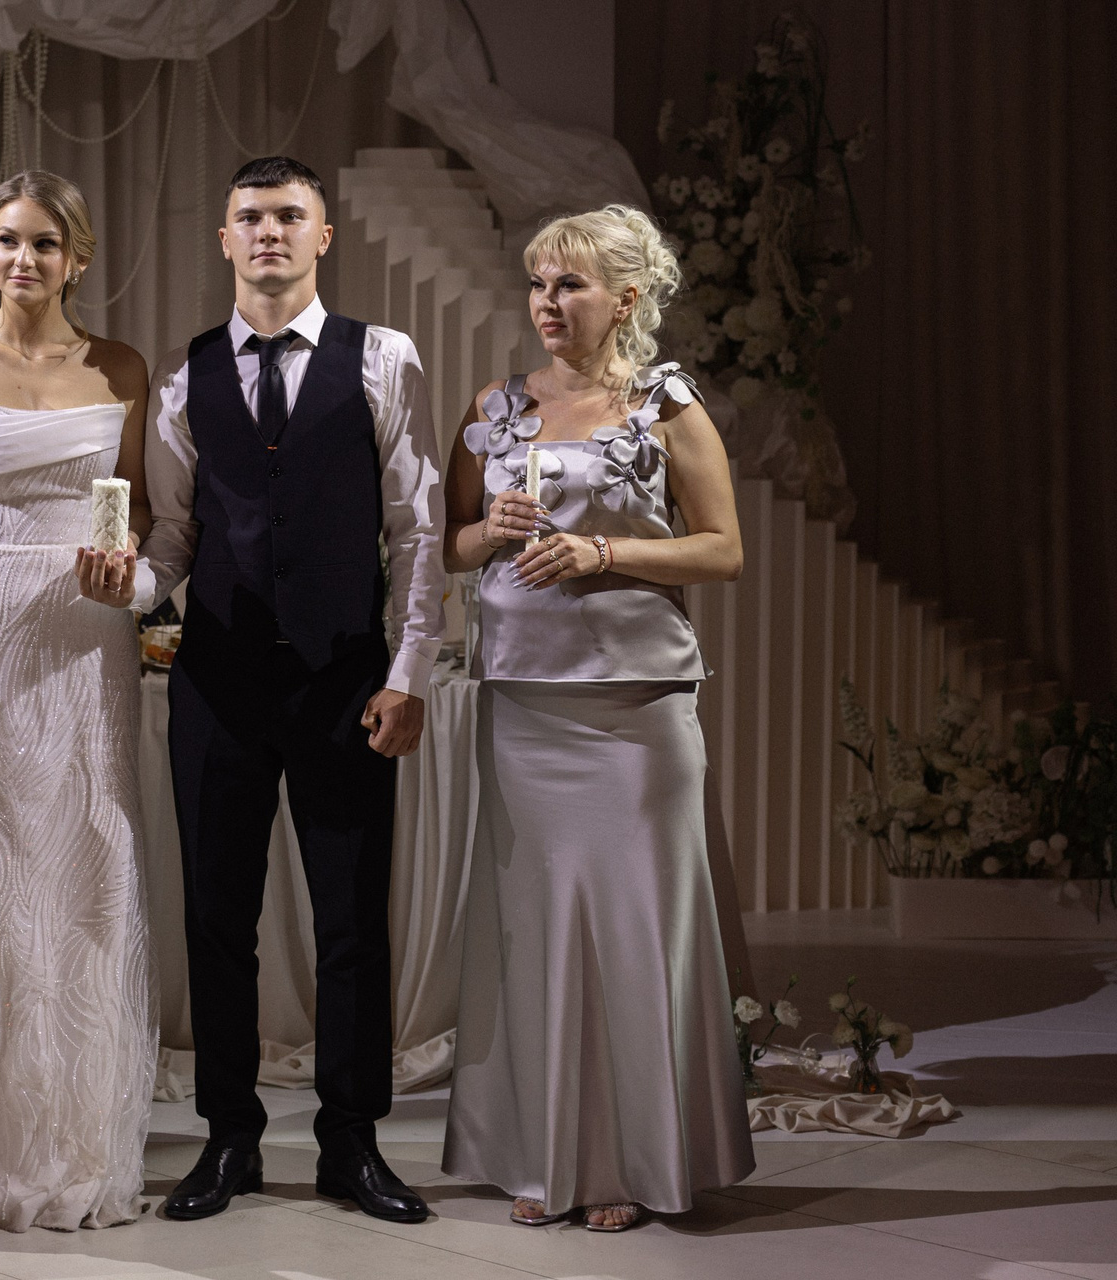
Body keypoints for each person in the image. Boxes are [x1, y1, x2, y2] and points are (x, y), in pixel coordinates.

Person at [79, 156, 444, 1225]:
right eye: (251, 216)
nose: (270, 232)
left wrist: (408, 672)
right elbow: (176, 537)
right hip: (219, 681)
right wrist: (126, 586)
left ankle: (351, 1141)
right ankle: (229, 1138)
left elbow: (417, 529)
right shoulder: (185, 374)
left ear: (323, 235)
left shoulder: (385, 358)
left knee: (352, 923)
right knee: (216, 919)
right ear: (226, 239)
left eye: (290, 215)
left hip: (346, 680)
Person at [439, 205, 755, 1232]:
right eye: (539, 284)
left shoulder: (665, 404)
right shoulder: (494, 406)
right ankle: (546, 1153)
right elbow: (449, 544)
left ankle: (626, 1160)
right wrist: (491, 529)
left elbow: (722, 549)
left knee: (631, 931)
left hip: (634, 708)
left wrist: (603, 552)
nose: (547, 302)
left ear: (626, 299)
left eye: (569, 284)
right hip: (523, 702)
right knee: (535, 932)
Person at [0, 170, 156, 1232]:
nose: (23, 259)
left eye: (45, 243)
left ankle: (80, 1141)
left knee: (89, 857)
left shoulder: (123, 367)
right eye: (8, 239)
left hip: (88, 639)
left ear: (77, 258)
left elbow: (131, 517)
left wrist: (125, 567)